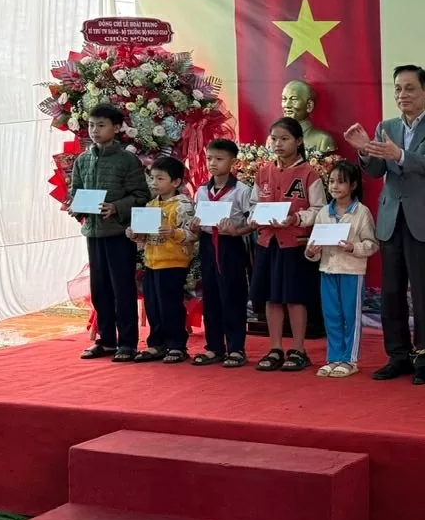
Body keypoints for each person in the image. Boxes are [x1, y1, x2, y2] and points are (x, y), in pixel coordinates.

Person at [346, 64, 425, 386]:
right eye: (397, 88)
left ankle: (424, 357)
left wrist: (401, 155)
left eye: (409, 88)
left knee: (424, 294)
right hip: (391, 219)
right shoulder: (387, 126)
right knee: (391, 293)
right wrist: (365, 150)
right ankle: (397, 355)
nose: (402, 95)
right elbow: (376, 171)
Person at [69, 103, 150, 363]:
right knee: (99, 288)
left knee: (122, 288)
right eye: (91, 125)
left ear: (116, 128)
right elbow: (76, 191)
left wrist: (116, 207)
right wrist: (74, 206)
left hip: (118, 233)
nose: (94, 130)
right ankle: (106, 341)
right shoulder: (82, 159)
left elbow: (141, 195)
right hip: (93, 233)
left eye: (101, 125)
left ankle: (127, 343)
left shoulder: (127, 160)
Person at [250, 117, 325, 372]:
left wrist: (296, 218)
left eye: (285, 139)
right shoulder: (262, 172)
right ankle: (275, 348)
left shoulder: (309, 173)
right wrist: (255, 217)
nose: (278, 144)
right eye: (274, 139)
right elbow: (253, 205)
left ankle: (299, 349)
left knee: (295, 298)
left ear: (299, 141)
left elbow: (319, 210)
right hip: (267, 242)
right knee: (272, 298)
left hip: (295, 243)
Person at [305, 161, 377, 378]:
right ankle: (333, 358)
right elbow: (314, 248)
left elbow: (372, 244)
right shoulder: (323, 213)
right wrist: (311, 251)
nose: (335, 186)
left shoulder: (361, 212)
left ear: (353, 185)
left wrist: (353, 247)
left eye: (341, 182)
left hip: (352, 272)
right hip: (327, 270)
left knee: (350, 316)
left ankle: (350, 359)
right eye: (332, 181)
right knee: (331, 315)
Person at [190, 139, 253, 368]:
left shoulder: (242, 190)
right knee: (211, 297)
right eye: (209, 159)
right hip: (207, 244)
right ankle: (214, 347)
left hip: (231, 245)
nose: (213, 164)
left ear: (233, 162)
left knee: (233, 296)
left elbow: (252, 222)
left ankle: (236, 348)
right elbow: (197, 222)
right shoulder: (202, 191)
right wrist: (194, 227)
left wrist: (237, 230)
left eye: (219, 159)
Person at [128, 156, 195, 363]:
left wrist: (174, 233)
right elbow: (145, 238)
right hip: (152, 262)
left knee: (171, 305)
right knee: (153, 305)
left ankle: (177, 345)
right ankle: (156, 344)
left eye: (160, 179)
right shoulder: (150, 205)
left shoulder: (183, 205)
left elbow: (193, 234)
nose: (154, 183)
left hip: (174, 263)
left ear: (175, 182)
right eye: (153, 178)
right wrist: (135, 234)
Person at [281, 80, 337, 153]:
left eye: (294, 99)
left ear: (309, 105)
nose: (286, 105)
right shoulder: (273, 139)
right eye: (284, 99)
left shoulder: (323, 140)